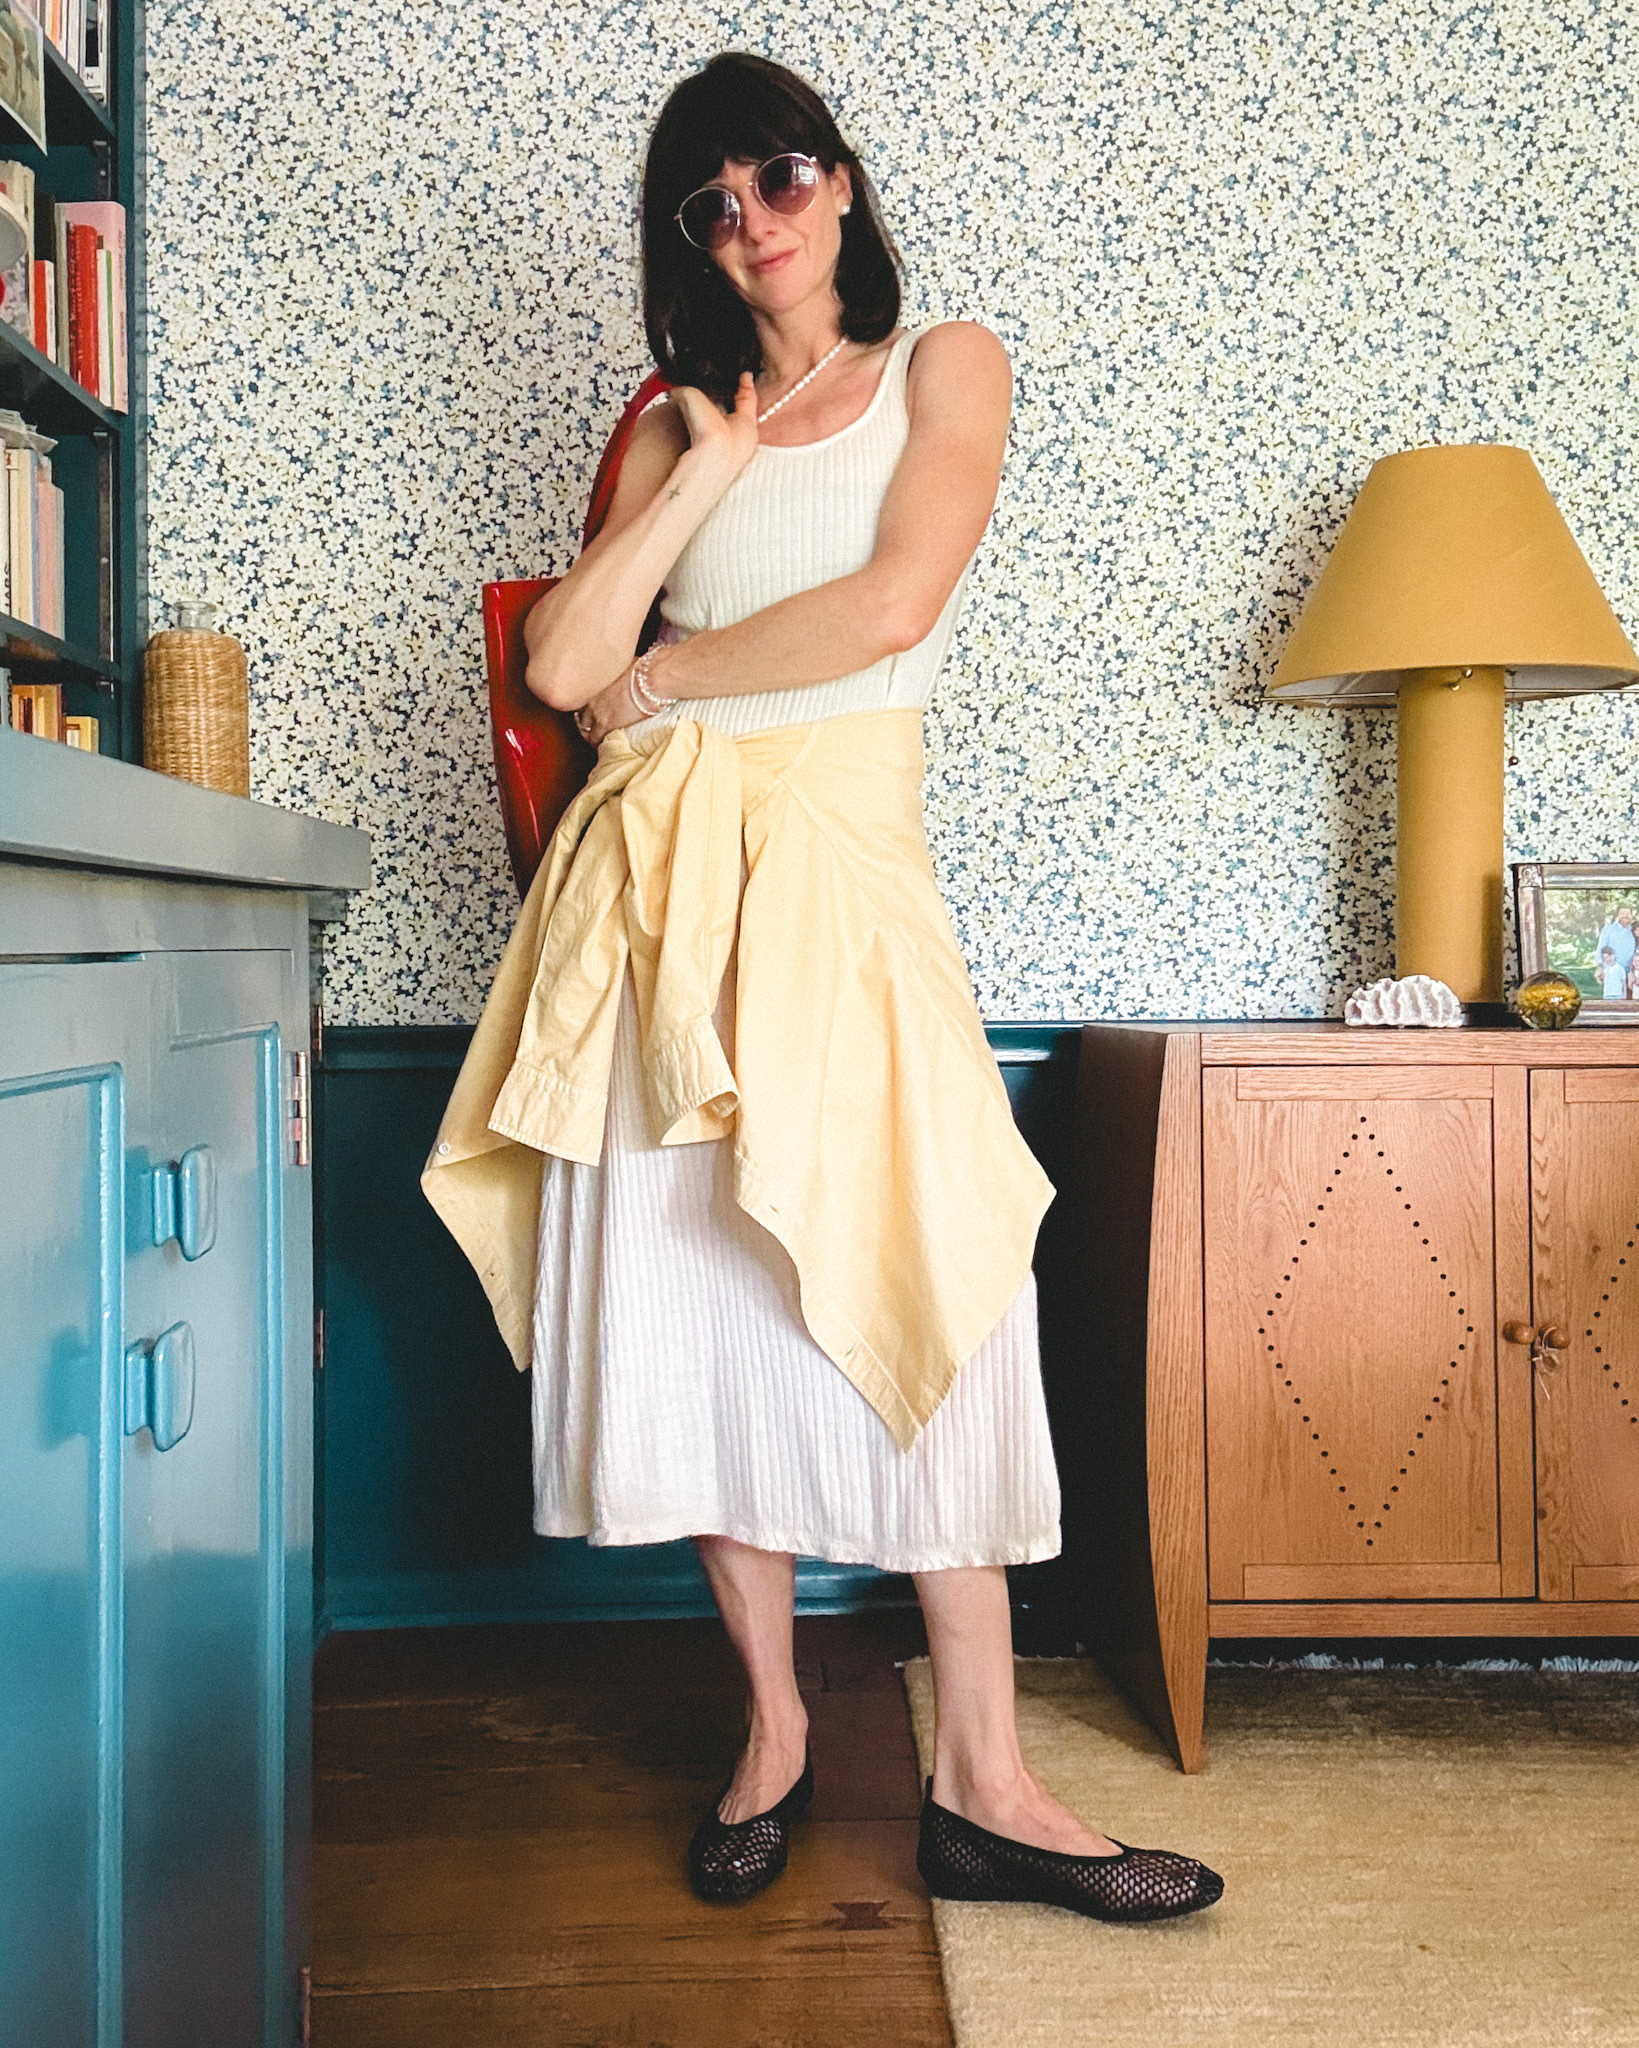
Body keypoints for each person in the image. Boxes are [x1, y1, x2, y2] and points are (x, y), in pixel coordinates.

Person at [425, 51, 1221, 1926]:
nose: (752, 220)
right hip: (659, 906)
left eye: (776, 176)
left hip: (844, 879)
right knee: (694, 1294)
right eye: (709, 204)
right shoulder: (669, 425)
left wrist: (681, 676)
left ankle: (986, 1779)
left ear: (841, 183)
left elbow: (887, 604)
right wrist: (698, 468)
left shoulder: (942, 363)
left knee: (936, 1282)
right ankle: (773, 1727)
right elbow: (560, 659)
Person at [1594, 905, 1637, 986]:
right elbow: (1601, 948)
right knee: (1614, 996)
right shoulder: (1609, 929)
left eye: (1628, 913)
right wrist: (1600, 967)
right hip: (1612, 970)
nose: (1625, 915)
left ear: (1631, 915)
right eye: (1622, 913)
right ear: (1617, 915)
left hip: (1630, 972)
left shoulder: (1633, 930)